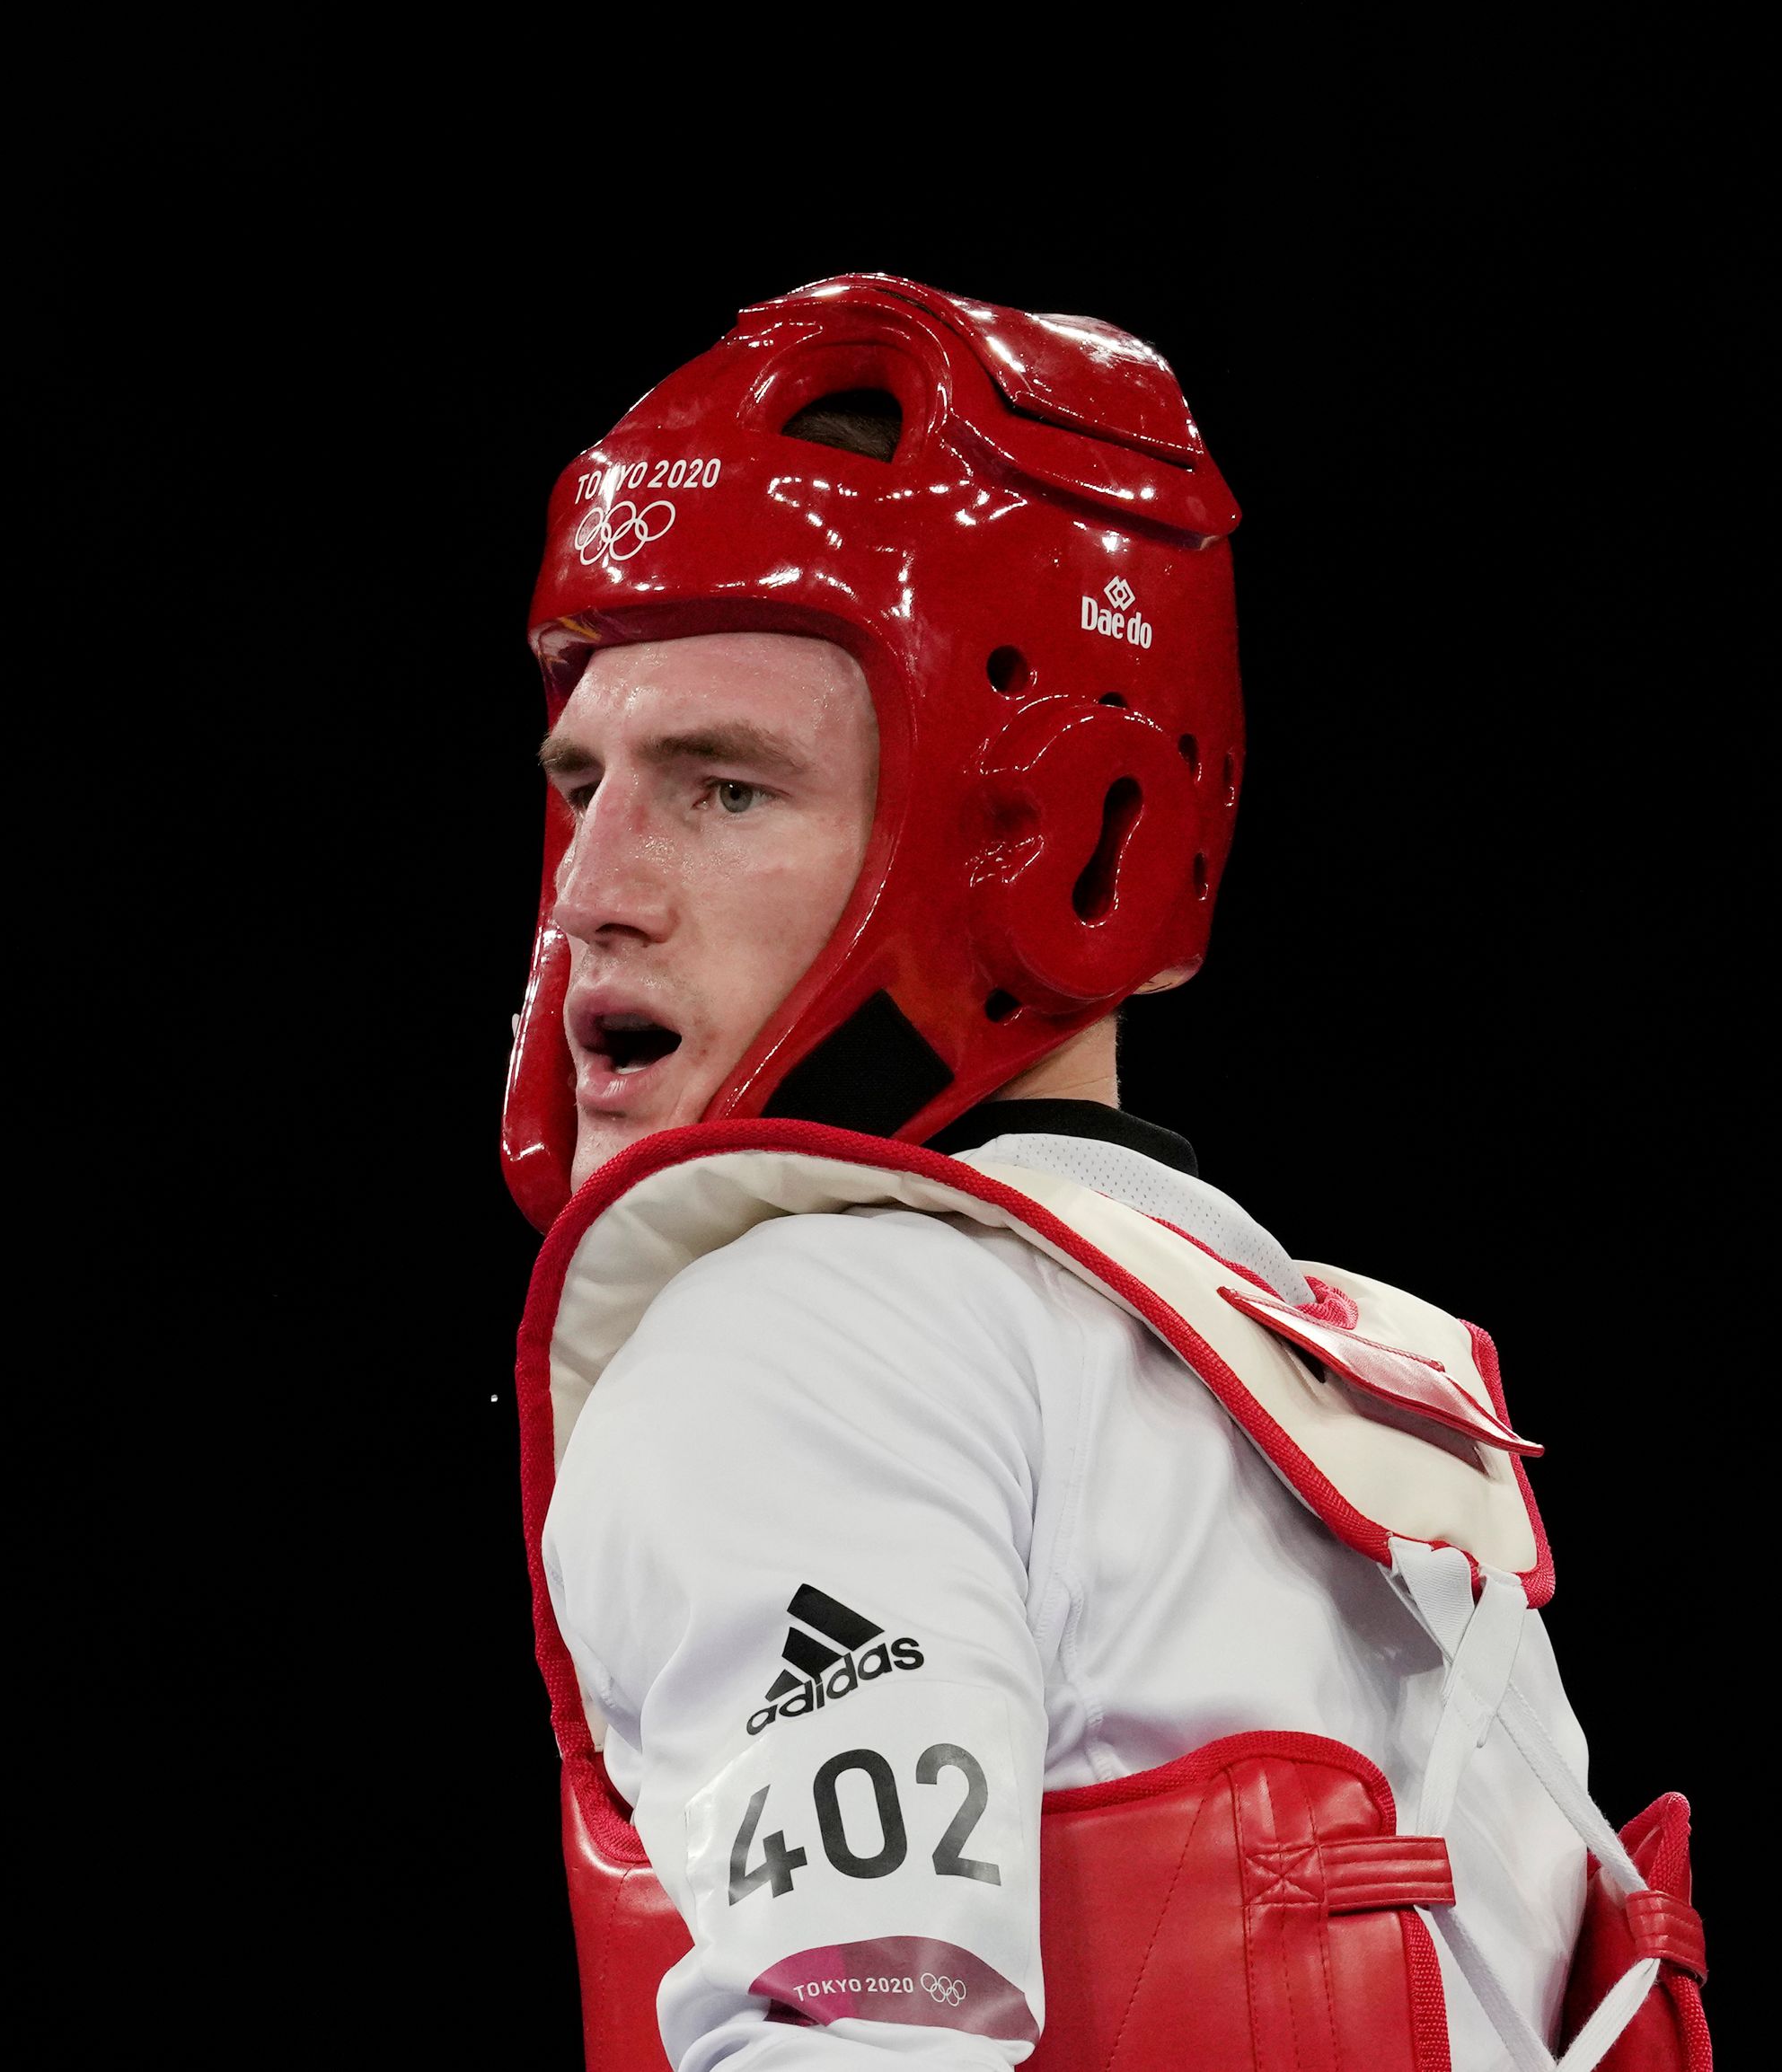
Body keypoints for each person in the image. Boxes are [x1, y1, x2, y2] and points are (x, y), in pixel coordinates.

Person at [509, 277, 1710, 2069]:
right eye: (579, 776)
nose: (590, 883)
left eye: (724, 786)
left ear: (1065, 844)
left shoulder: (804, 1328)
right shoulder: (1351, 1384)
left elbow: (861, 2043)